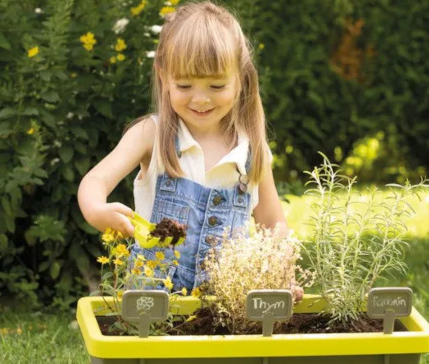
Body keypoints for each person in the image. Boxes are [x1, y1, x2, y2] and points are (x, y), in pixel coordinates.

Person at [78, 1, 287, 291]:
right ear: (163, 75)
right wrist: (96, 209)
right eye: (185, 86)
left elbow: (273, 227)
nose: (200, 99)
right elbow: (95, 180)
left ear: (240, 79)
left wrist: (282, 275)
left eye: (216, 86)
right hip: (152, 310)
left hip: (224, 309)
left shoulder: (250, 151)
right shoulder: (151, 134)